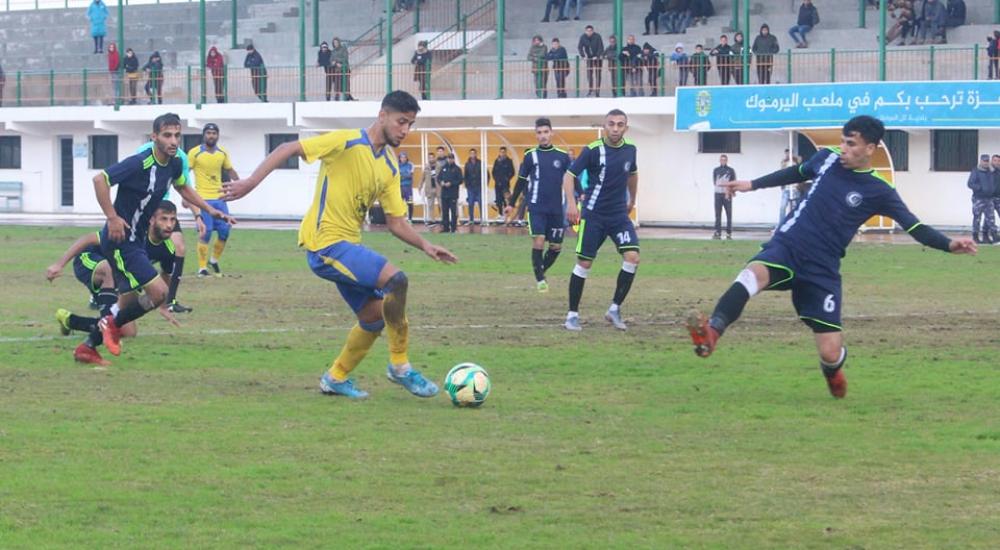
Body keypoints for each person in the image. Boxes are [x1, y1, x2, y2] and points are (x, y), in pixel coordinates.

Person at [686, 115, 978, 399]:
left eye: (851, 144)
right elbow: (796, 173)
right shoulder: (826, 158)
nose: (844, 150)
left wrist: (948, 244)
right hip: (789, 244)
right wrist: (753, 184)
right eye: (843, 142)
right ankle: (712, 332)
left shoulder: (880, 190)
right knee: (752, 274)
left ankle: (833, 371)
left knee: (828, 350)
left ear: (870, 149)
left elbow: (914, 226)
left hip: (822, 268)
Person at [221, 91, 458, 400]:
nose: (405, 131)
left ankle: (335, 377)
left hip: (347, 247)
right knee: (396, 280)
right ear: (382, 115)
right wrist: (249, 183)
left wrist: (426, 245)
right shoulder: (345, 142)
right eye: (401, 122)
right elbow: (287, 147)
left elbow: (396, 222)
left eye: (410, 124)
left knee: (373, 318)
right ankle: (400, 366)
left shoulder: (388, 164)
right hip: (325, 244)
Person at [74, 113, 234, 366]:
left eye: (177, 135)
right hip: (121, 241)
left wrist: (208, 209)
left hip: (137, 241)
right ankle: (108, 326)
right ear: (154, 137)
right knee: (160, 293)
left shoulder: (173, 164)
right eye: (167, 135)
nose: (173, 141)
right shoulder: (140, 162)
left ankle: (88, 346)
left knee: (126, 303)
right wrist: (112, 217)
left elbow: (182, 187)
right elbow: (100, 179)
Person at [49, 202, 184, 355]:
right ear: (152, 220)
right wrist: (59, 264)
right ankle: (101, 336)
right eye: (163, 219)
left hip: (117, 277)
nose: (169, 225)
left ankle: (70, 320)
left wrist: (162, 305)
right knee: (109, 268)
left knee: (128, 332)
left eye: (173, 220)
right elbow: (89, 239)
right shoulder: (132, 233)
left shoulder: (168, 249)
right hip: (88, 259)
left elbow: (165, 275)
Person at [563, 109, 639, 331]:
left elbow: (633, 174)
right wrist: (570, 202)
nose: (615, 128)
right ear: (605, 126)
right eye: (611, 124)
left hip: (618, 216)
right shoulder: (593, 150)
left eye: (620, 124)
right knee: (584, 263)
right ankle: (572, 315)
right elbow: (569, 175)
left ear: (626, 127)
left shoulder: (630, 149)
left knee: (633, 257)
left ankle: (614, 309)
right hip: (593, 216)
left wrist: (632, 199)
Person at [506, 118, 570, 293]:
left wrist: (579, 198)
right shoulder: (530, 156)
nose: (542, 136)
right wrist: (511, 204)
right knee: (539, 240)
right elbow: (520, 181)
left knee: (556, 247)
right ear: (536, 135)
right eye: (539, 133)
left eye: (545, 132)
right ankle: (540, 279)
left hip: (556, 209)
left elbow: (572, 180)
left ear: (551, 133)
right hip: (536, 207)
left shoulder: (563, 157)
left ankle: (540, 269)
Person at [188, 123, 239, 277]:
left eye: (214, 133)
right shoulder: (194, 153)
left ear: (218, 135)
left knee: (224, 232)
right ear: (204, 135)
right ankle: (202, 268)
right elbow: (185, 173)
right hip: (202, 199)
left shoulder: (222, 153)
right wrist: (188, 195)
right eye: (208, 133)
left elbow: (230, 171)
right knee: (206, 232)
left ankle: (214, 260)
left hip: (219, 198)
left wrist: (240, 185)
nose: (211, 136)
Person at [968, 153, 996, 244]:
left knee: (990, 218)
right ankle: (975, 237)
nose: (986, 163)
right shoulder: (975, 171)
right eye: (984, 161)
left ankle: (989, 236)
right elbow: (970, 183)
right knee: (977, 218)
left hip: (989, 198)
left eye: (987, 161)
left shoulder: (991, 172)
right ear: (980, 161)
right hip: (978, 198)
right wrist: (980, 188)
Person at [437, 153, 463, 233]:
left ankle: (453, 228)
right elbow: (438, 177)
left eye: (451, 158)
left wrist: (451, 183)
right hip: (444, 193)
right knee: (445, 211)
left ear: (453, 159)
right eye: (448, 158)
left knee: (453, 211)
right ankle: (445, 228)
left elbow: (460, 180)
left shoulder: (457, 169)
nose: (450, 160)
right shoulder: (443, 168)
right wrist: (441, 182)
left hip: (453, 193)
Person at [712, 154, 735, 239]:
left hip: (727, 194)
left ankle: (729, 233)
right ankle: (717, 232)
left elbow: (733, 182)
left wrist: (730, 191)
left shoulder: (731, 170)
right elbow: (714, 182)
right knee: (718, 214)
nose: (723, 161)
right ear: (720, 160)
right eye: (722, 160)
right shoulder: (716, 170)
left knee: (729, 214)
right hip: (717, 194)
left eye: (724, 160)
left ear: (727, 161)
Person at [578, 25, 604, 97]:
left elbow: (600, 47)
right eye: (587, 31)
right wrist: (583, 56)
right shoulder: (583, 37)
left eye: (590, 31)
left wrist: (597, 56)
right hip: (589, 58)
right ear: (585, 31)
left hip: (597, 58)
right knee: (589, 74)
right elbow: (580, 47)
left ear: (593, 31)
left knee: (598, 74)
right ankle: (590, 90)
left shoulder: (597, 36)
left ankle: (597, 91)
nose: (589, 32)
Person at [492, 146, 515, 216]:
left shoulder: (509, 161)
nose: (502, 153)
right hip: (497, 184)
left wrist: (507, 178)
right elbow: (493, 172)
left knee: (506, 200)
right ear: (499, 152)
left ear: (506, 152)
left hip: (505, 184)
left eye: (504, 152)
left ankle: (506, 215)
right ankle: (500, 214)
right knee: (498, 200)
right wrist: (496, 179)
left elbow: (512, 172)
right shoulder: (496, 161)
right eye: (501, 152)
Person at [463, 149, 482, 225]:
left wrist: (484, 184)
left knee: (481, 202)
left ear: (476, 154)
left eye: (474, 153)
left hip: (479, 186)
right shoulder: (467, 164)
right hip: (470, 187)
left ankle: (482, 218)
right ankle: (471, 219)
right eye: (471, 153)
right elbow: (465, 175)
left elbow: (486, 174)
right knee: (470, 203)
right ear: (469, 154)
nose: (472, 154)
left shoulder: (480, 163)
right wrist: (467, 184)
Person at [421, 152, 439, 225]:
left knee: (441, 205)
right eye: (429, 157)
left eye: (432, 157)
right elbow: (423, 177)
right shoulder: (426, 167)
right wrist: (420, 185)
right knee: (430, 205)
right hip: (429, 188)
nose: (431, 159)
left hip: (438, 188)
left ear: (434, 158)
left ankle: (443, 219)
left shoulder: (439, 166)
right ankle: (432, 220)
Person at [399, 152, 415, 221]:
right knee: (399, 204)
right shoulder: (397, 165)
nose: (403, 159)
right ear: (399, 158)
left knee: (410, 203)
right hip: (400, 187)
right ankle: (400, 219)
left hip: (408, 188)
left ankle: (410, 219)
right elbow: (397, 176)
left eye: (404, 157)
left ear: (407, 158)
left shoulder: (410, 165)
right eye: (402, 157)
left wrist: (402, 175)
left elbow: (410, 175)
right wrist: (404, 175)